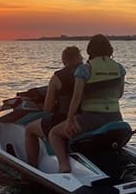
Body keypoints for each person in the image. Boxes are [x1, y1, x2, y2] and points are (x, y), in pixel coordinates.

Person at [48, 34, 126, 173]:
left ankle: (64, 166)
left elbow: (76, 99)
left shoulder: (84, 70)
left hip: (91, 119)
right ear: (109, 49)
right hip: (116, 117)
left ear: (90, 50)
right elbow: (119, 94)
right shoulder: (119, 68)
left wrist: (69, 120)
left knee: (54, 133)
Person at [25, 46, 83, 167]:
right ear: (80, 58)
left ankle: (32, 166)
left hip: (63, 118)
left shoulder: (58, 77)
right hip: (84, 117)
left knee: (29, 129)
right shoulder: (88, 73)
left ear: (64, 61)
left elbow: (48, 108)